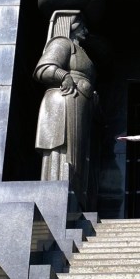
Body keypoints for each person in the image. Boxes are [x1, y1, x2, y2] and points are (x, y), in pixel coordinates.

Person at [33, 10, 97, 191]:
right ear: (73, 26)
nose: (85, 31)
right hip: (64, 100)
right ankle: (57, 189)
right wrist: (63, 75)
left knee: (78, 156)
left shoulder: (81, 50)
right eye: (83, 26)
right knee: (63, 150)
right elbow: (43, 69)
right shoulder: (62, 43)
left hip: (81, 102)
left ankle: (75, 192)